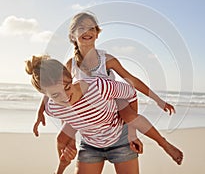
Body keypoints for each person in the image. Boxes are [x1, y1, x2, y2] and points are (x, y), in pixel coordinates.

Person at [33, 12, 181, 165]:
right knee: (65, 131)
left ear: (97, 34)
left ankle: (164, 144)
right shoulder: (71, 64)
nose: (87, 31)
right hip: (91, 109)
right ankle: (67, 156)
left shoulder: (107, 60)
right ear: (72, 35)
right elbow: (54, 87)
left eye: (91, 28)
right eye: (81, 28)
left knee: (128, 114)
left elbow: (132, 81)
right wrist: (40, 111)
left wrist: (158, 100)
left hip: (113, 101)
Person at [25, 56, 183, 174]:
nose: (66, 98)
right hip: (90, 145)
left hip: (120, 138)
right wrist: (70, 142)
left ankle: (164, 143)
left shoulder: (100, 86)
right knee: (61, 139)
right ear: (45, 95)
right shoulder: (52, 108)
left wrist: (131, 132)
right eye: (56, 95)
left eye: (67, 88)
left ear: (71, 77)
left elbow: (131, 93)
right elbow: (66, 116)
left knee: (129, 116)